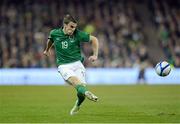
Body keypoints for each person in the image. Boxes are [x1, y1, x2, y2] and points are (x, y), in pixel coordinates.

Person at [43, 14, 99, 115]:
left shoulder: (77, 34)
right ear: (65, 25)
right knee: (75, 81)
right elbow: (50, 39)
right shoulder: (55, 33)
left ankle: (78, 104)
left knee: (80, 93)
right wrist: (47, 50)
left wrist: (95, 55)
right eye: (71, 26)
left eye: (75, 27)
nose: (73, 29)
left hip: (78, 64)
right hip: (64, 65)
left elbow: (94, 39)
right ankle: (87, 92)